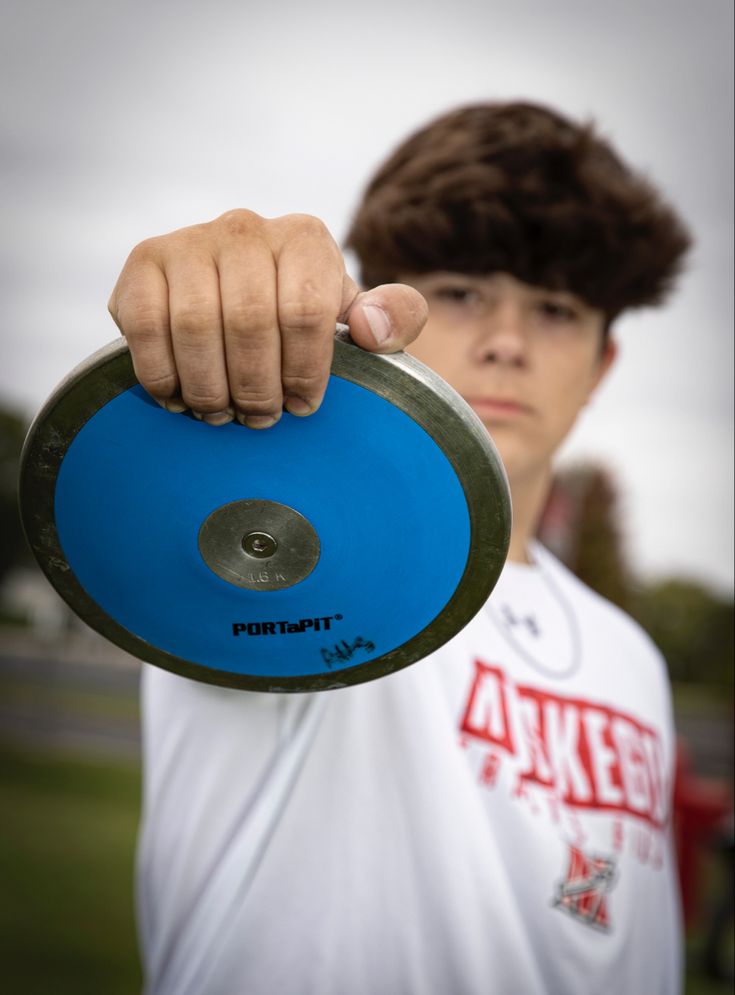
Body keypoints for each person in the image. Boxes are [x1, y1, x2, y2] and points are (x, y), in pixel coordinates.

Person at [109, 102, 691, 994]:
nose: (506, 342)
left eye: (556, 309)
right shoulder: (284, 552)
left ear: (601, 365)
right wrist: (231, 290)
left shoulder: (632, 660)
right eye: (461, 292)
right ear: (379, 310)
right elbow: (175, 473)